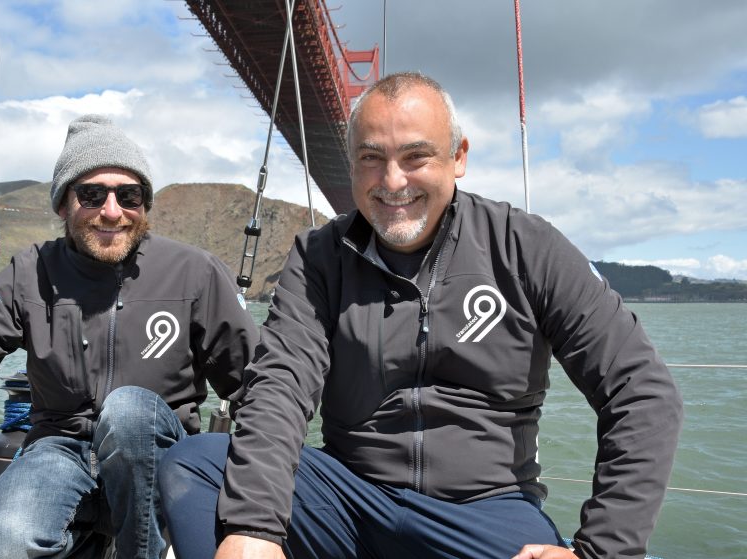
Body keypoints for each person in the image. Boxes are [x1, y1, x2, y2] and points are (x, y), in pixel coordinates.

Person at [158, 73, 683, 559]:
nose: (392, 181)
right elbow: (279, 385)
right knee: (195, 464)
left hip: (485, 509)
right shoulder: (320, 256)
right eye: (371, 158)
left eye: (415, 156)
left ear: (458, 156)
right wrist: (254, 527)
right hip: (350, 496)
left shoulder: (526, 247)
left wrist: (599, 551)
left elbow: (641, 390)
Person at [0, 114, 258, 559]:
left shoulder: (195, 273)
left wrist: (256, 506)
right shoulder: (28, 274)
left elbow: (255, 387)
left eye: (128, 195)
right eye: (92, 194)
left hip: (159, 456)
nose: (112, 211)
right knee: (6, 538)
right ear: (63, 205)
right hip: (59, 446)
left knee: (130, 412)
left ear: (144, 204)